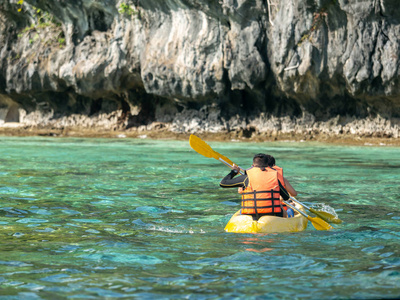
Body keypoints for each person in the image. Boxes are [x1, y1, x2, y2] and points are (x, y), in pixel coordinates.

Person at [220, 153, 297, 220]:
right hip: (273, 215)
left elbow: (223, 183)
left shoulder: (246, 178)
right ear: (268, 165)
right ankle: (290, 213)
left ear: (253, 165)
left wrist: (234, 172)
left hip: (251, 215)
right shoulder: (275, 177)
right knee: (285, 212)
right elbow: (286, 197)